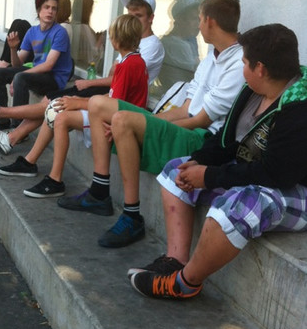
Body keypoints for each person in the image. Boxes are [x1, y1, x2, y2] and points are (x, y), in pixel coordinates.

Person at [128, 23, 307, 300]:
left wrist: (210, 176)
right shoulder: (252, 90)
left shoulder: (299, 108)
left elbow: (276, 174)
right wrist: (199, 161)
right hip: (254, 174)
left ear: (260, 68)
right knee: (177, 170)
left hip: (294, 189)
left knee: (242, 203)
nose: (242, 68)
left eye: (244, 62)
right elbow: (226, 139)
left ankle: (184, 283)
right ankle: (175, 261)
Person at [57, 0, 244, 250]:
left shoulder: (238, 63)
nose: (198, 25)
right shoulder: (212, 56)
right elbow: (185, 108)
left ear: (210, 21)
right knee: (98, 104)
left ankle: (132, 216)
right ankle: (99, 192)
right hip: (188, 124)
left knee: (122, 120)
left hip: (203, 138)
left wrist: (144, 127)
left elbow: (201, 119)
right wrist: (148, 122)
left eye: (200, 19)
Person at [0, 0, 162, 157]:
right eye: (129, 15)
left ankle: (1, 116)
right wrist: (12, 50)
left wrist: (88, 86)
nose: (131, 21)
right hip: (110, 99)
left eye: (138, 16)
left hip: (114, 106)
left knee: (56, 108)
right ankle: (11, 135)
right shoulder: (132, 50)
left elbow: (117, 85)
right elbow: (115, 77)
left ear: (151, 18)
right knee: (50, 104)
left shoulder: (146, 49)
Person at [22, 14, 147, 198]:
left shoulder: (128, 65)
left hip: (116, 120)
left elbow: (114, 104)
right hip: (117, 114)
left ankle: (55, 180)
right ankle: (36, 166)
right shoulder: (132, 61)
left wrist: (78, 103)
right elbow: (114, 97)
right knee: (60, 110)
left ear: (117, 40)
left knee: (62, 118)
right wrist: (80, 101)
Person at [0, 0, 72, 113]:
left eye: (54, 8)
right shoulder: (32, 32)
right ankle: (0, 119)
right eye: (46, 7)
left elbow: (48, 66)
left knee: (20, 78)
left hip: (54, 78)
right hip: (38, 73)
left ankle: (18, 123)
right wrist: (13, 49)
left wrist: (19, 75)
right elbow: (17, 64)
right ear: (38, 10)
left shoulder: (60, 32)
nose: (50, 11)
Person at [157, 0, 201, 92]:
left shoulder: (188, 40)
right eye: (194, 19)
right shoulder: (177, 45)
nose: (199, 25)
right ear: (180, 19)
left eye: (200, 19)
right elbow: (201, 79)